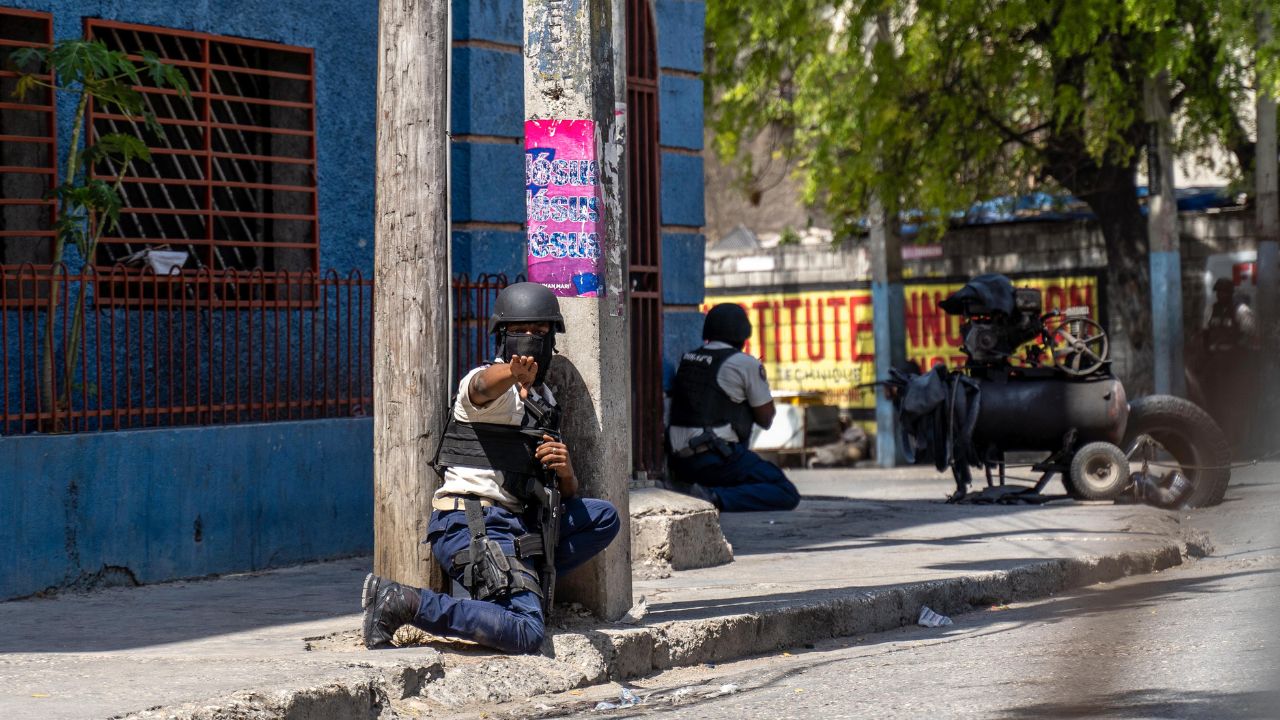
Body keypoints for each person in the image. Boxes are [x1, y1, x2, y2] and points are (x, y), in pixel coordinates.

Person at [362, 282, 620, 654]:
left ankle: (518, 581)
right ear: (502, 338)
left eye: (539, 333)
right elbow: (482, 387)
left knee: (603, 518)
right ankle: (404, 601)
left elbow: (563, 495)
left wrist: (566, 473)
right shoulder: (489, 388)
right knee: (527, 632)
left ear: (552, 341)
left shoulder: (545, 399)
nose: (529, 342)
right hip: (472, 524)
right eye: (519, 333)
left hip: (522, 524)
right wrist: (511, 376)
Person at [664, 303, 801, 512]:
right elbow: (766, 419)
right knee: (785, 491)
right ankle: (714, 498)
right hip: (716, 459)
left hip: (679, 462)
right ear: (744, 335)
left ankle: (709, 492)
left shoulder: (689, 358)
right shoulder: (744, 363)